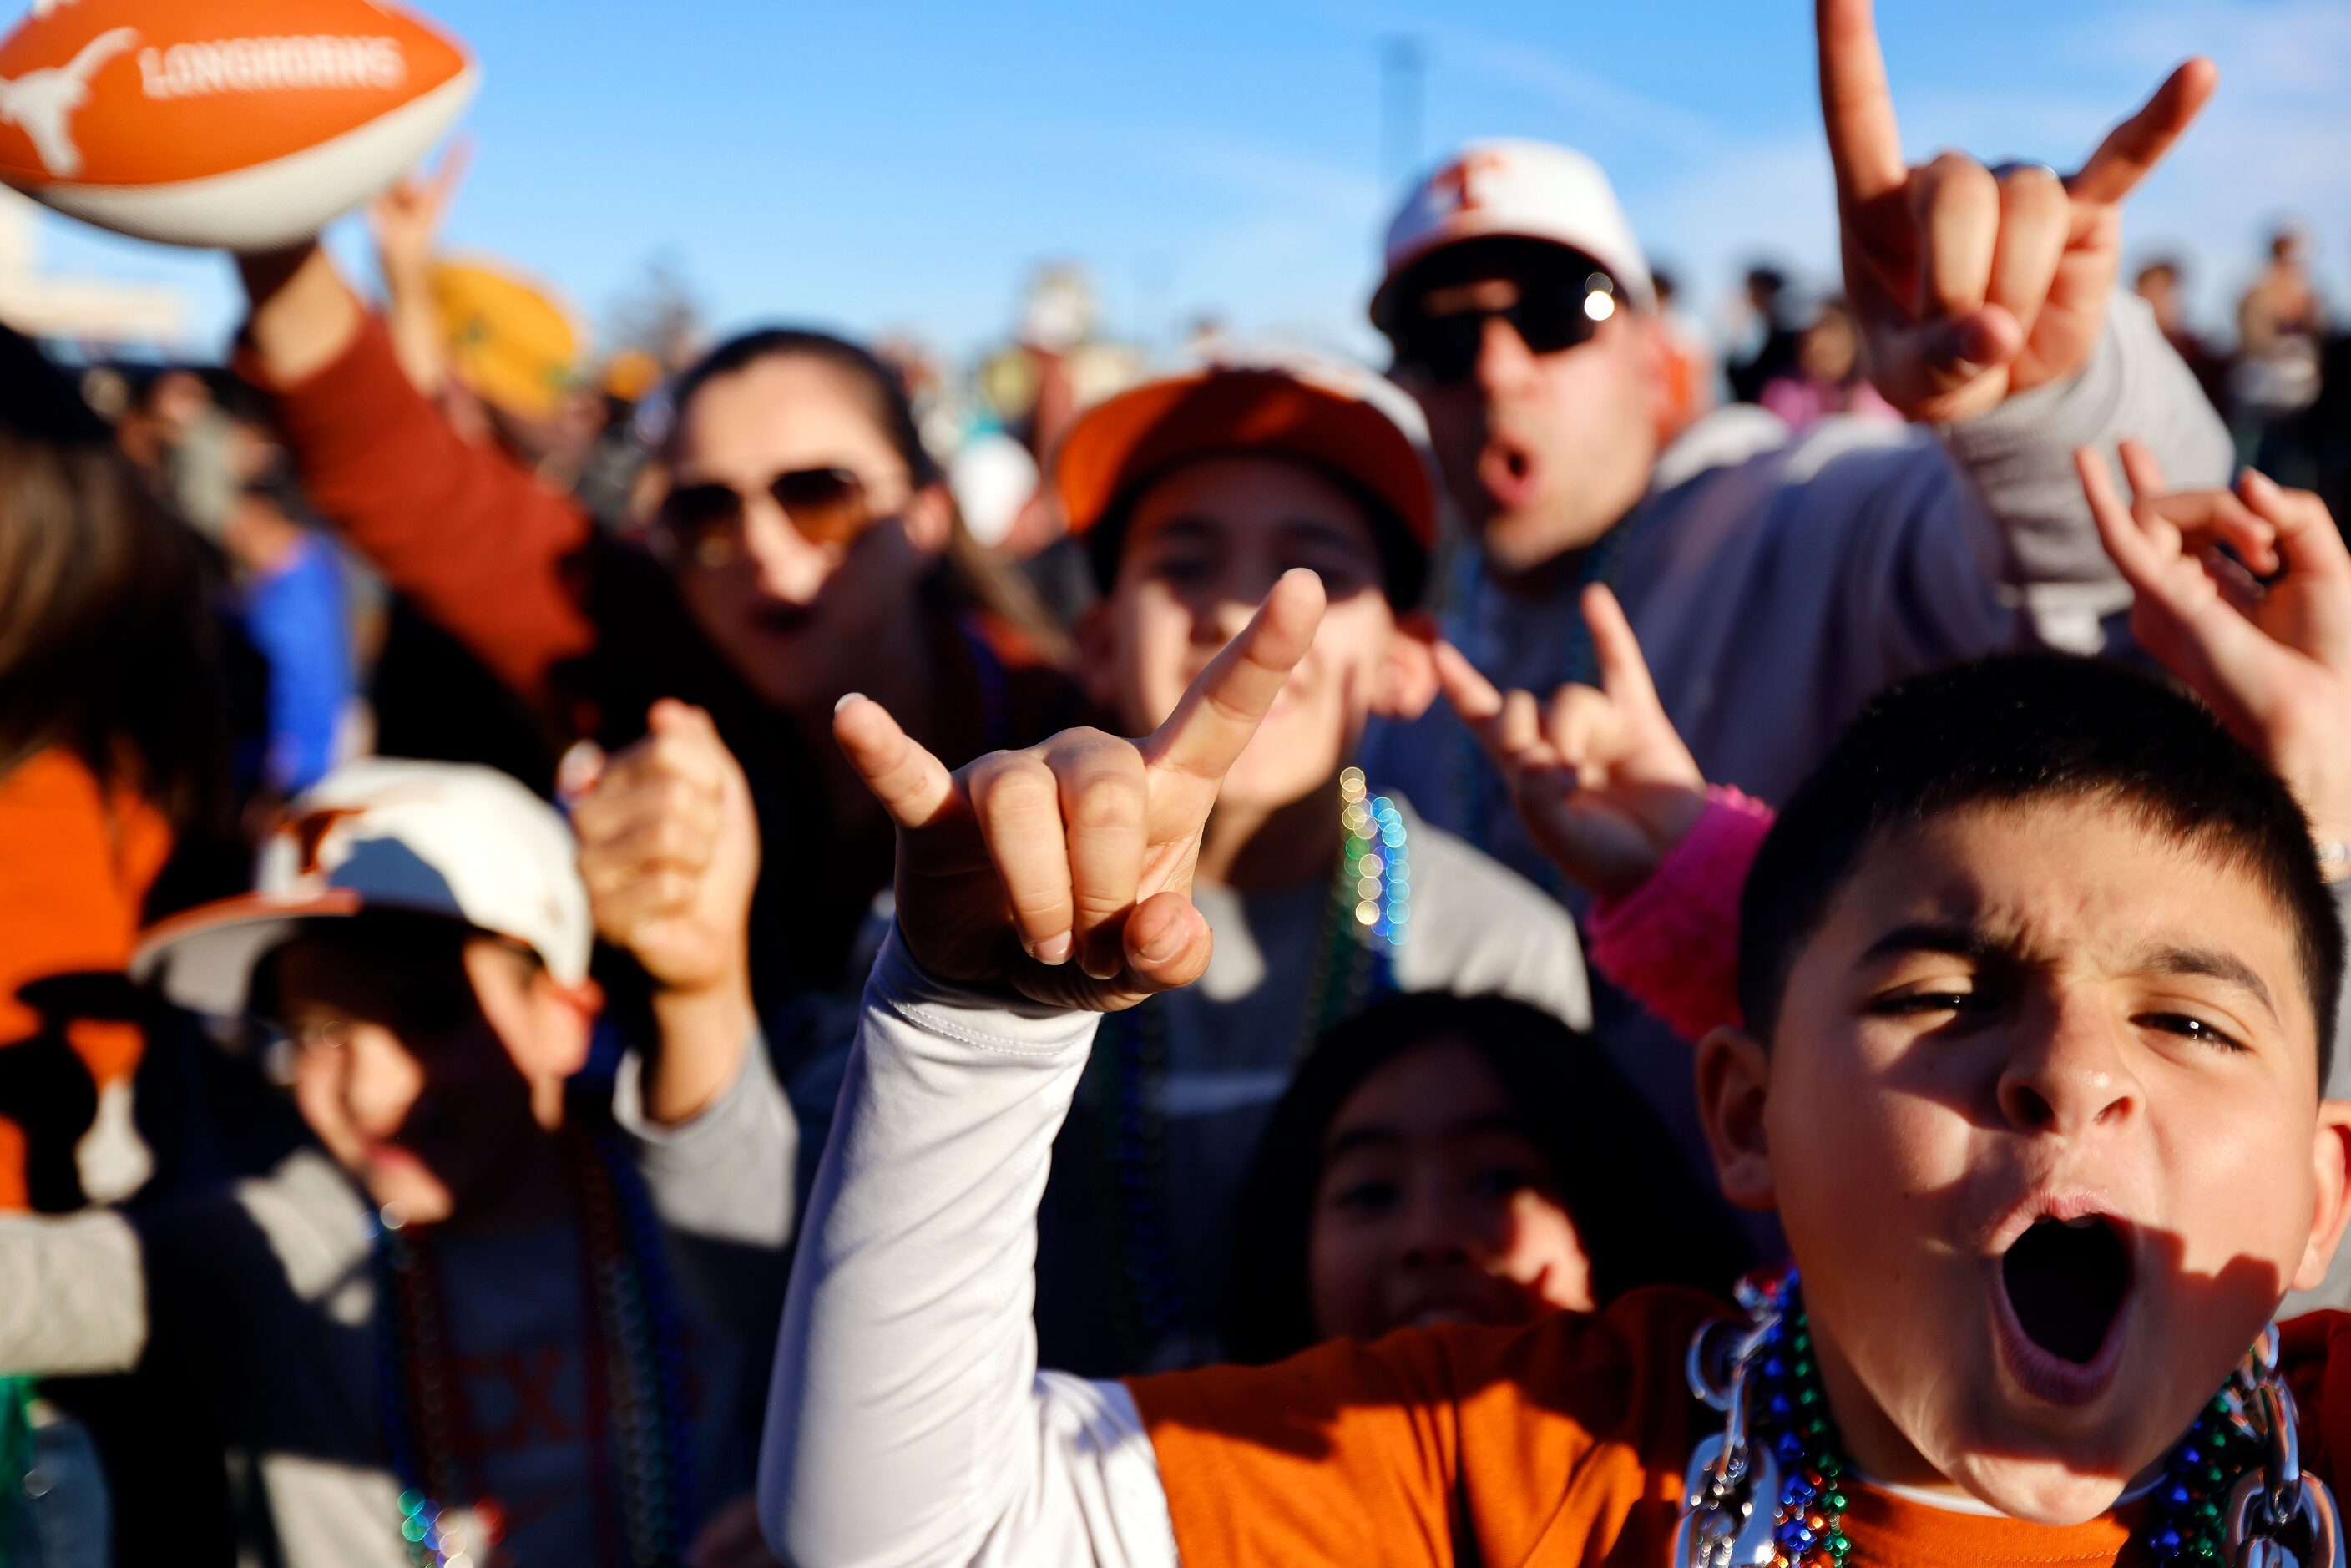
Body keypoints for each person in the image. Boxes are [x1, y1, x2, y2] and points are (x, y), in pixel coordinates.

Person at [759, 504, 2351, 1564]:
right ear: (1740, 1113)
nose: (2071, 1069)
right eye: (1939, 994)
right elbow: (915, 1534)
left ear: (2320, 1193)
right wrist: (972, 1024)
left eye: (2192, 1017)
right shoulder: (1528, 1452)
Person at [1358, 0, 2236, 1174]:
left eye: (1557, 311)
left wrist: (2041, 400)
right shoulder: (1419, 646)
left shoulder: (1792, 508)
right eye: (1438, 335)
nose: (1499, 369)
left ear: (1652, 348)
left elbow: (2086, 595)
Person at [227, 239, 1077, 1031]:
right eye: (703, 512)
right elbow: (406, 476)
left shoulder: (1058, 728)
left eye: (819, 495)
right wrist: (269, 224)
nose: (758, 545)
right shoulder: (662, 646)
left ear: (926, 516)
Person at [0, 742, 796, 1568]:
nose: (372, 1090)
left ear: (562, 1015)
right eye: (318, 1033)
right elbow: (41, 1285)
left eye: (431, 1016)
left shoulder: (694, 1217)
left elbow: (738, 1176)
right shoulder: (268, 1252)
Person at [1004, 357, 1589, 1373]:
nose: (1242, 618)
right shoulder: (983, 929)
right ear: (1095, 642)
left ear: (1407, 658)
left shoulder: (1494, 949)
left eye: (1310, 575)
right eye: (1184, 563)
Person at [1218, 989, 1747, 1366]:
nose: (1432, 1238)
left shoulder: (1714, 1493)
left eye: (1500, 1182)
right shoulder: (1198, 1504)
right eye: (1371, 1193)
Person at [2234, 225, 2327, 485]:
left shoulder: (2309, 297)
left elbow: (2322, 337)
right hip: (2264, 400)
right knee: (2259, 470)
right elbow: (2252, 339)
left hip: (2304, 400)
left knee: (2299, 471)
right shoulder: (2257, 293)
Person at [1759, 297, 1899, 430]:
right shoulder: (1784, 393)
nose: (1819, 341)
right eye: (1814, 332)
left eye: (1832, 329)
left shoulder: (1872, 400)